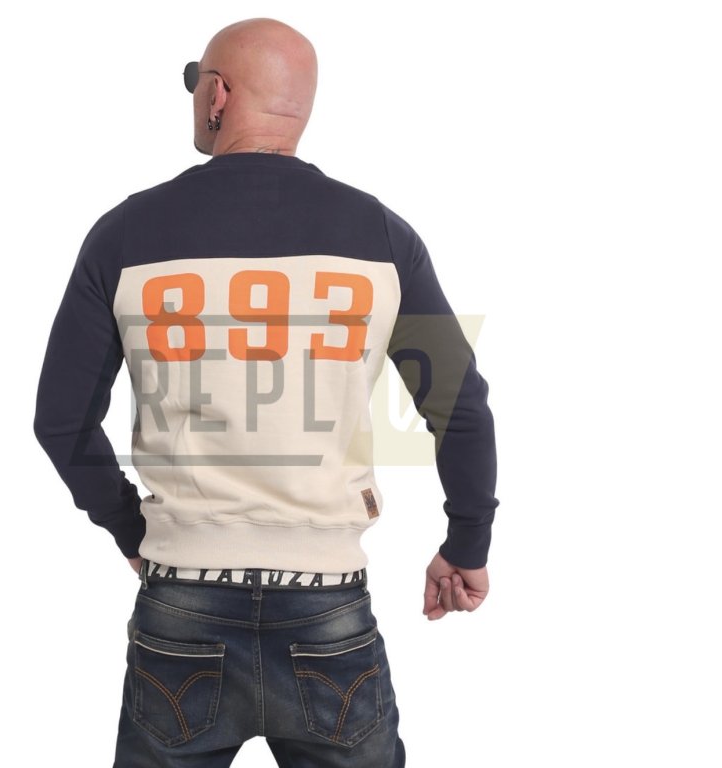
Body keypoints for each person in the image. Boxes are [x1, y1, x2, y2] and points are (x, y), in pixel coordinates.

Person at [33, 18, 498, 768]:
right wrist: (467, 542)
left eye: (196, 84)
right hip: (327, 601)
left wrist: (131, 529)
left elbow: (61, 421)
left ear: (217, 95)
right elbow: (460, 407)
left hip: (181, 600)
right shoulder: (381, 237)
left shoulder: (125, 235)